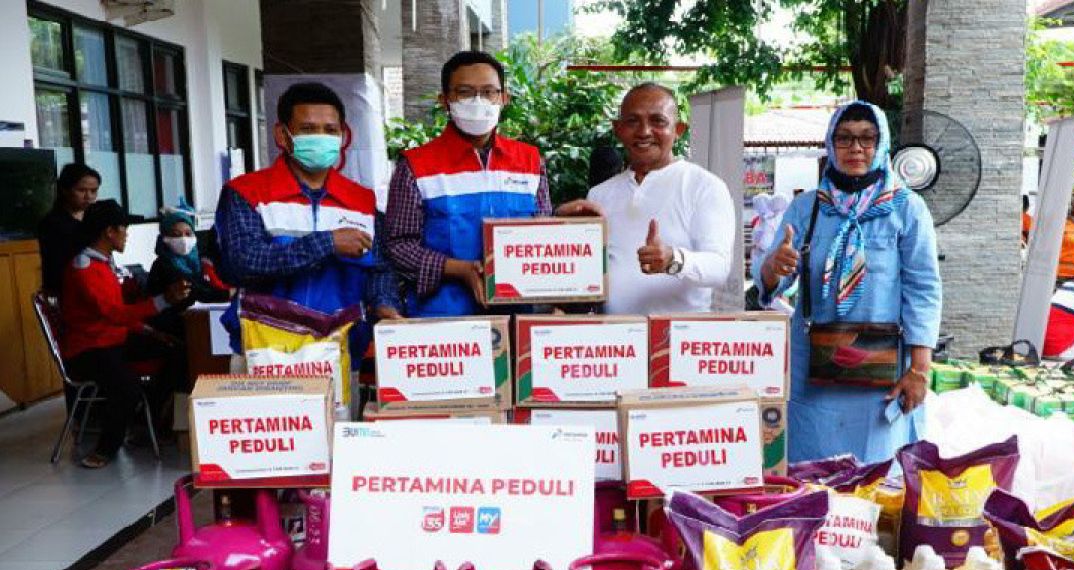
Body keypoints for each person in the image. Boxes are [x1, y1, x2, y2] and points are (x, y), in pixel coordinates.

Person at [754, 100, 941, 463]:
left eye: (867, 138)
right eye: (844, 138)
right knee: (811, 473)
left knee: (874, 475)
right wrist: (773, 268)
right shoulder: (807, 208)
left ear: (882, 143)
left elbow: (924, 290)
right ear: (830, 145)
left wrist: (920, 369)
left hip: (880, 370)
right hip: (813, 370)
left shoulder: (906, 209)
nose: (856, 148)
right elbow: (772, 280)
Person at [215, 81, 395, 367]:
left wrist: (385, 302)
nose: (321, 137)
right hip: (263, 351)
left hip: (340, 352)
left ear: (343, 136)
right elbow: (241, 264)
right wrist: (326, 243)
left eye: (330, 130)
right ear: (282, 135)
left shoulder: (361, 200)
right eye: (308, 129)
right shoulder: (247, 193)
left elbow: (380, 267)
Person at [383, 50, 551, 316]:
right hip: (444, 326)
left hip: (516, 318)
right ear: (445, 100)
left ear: (503, 98)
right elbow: (397, 247)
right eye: (465, 92)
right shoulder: (416, 167)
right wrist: (458, 269)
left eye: (488, 92)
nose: (478, 101)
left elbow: (544, 237)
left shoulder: (530, 162)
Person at [558, 82, 735, 315]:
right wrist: (559, 233)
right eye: (632, 121)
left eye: (658, 121)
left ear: (678, 129)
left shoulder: (704, 186)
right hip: (612, 342)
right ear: (617, 129)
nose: (644, 131)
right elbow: (585, 275)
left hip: (679, 341)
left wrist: (673, 259)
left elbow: (719, 268)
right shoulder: (599, 194)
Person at [60, 200, 189, 468]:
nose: (127, 234)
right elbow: (114, 314)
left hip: (111, 340)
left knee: (177, 351)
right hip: (89, 349)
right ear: (110, 232)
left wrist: (149, 332)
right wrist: (163, 300)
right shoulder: (85, 268)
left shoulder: (102, 262)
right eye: (124, 228)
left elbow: (117, 316)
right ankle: (107, 448)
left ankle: (151, 418)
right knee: (126, 388)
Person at [147, 203, 231, 339]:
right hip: (172, 333)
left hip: (196, 328)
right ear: (165, 238)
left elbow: (206, 286)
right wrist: (230, 293)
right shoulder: (163, 265)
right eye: (176, 235)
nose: (183, 239)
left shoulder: (197, 263)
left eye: (188, 234)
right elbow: (196, 293)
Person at [38, 163, 101, 297]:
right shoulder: (52, 223)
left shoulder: (93, 216)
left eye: (93, 191)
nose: (89, 196)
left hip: (92, 286)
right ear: (65, 190)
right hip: (67, 293)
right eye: (82, 190)